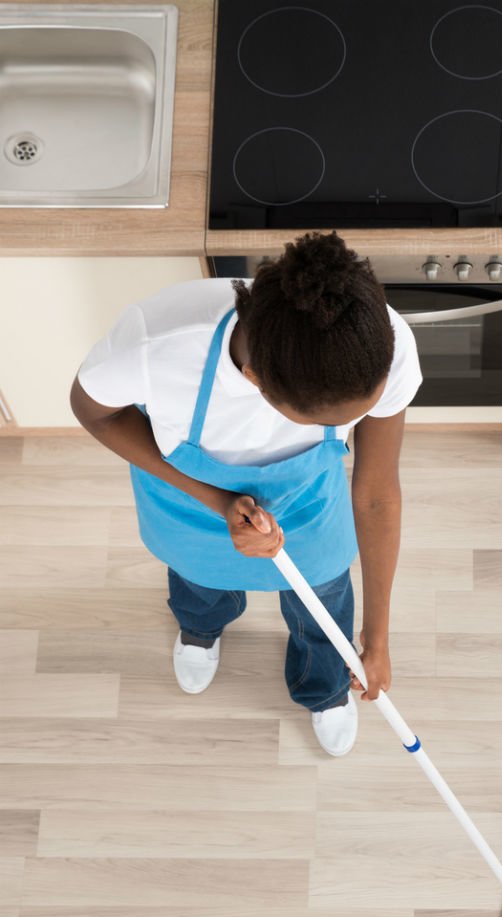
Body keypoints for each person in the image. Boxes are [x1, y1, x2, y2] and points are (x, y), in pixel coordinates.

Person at [70, 231, 422, 756]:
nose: (352, 429)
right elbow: (92, 410)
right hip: (189, 510)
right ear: (256, 381)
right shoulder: (158, 344)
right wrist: (215, 500)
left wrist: (377, 635)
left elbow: (374, 495)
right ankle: (200, 631)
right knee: (198, 589)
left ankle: (323, 688)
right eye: (331, 422)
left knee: (323, 608)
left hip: (309, 513)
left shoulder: (378, 345)